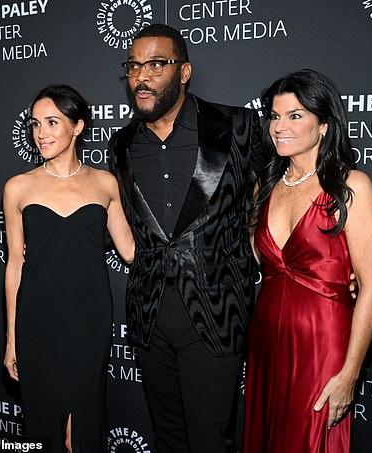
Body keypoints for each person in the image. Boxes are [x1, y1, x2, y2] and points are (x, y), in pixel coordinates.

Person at [108, 24, 264, 453]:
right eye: (134, 65)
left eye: (156, 64)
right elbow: (116, 215)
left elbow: (279, 188)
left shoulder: (238, 125)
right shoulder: (120, 144)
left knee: (212, 439)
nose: (142, 76)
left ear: (184, 71)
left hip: (218, 308)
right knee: (168, 437)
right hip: (149, 311)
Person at [243, 69, 372, 453]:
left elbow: (371, 290)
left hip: (322, 344)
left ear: (323, 125)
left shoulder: (351, 185)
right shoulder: (265, 186)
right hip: (265, 340)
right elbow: (265, 262)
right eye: (274, 116)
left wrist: (350, 374)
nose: (280, 126)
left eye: (295, 115)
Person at [3, 84, 134, 452]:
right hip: (37, 319)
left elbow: (129, 251)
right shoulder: (18, 187)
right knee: (43, 424)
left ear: (77, 126)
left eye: (51, 122)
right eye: (35, 124)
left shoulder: (105, 183)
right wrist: (12, 338)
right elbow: (15, 265)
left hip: (89, 317)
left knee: (84, 425)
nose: (41, 133)